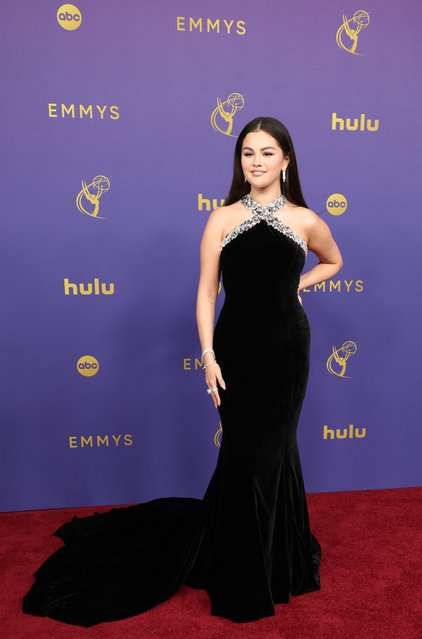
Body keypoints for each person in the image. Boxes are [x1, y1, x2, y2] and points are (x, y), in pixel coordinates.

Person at [22, 116, 343, 626]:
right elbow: (206, 292)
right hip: (236, 349)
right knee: (244, 454)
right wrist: (210, 356)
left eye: (266, 152)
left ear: (287, 160)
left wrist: (296, 286)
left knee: (276, 450)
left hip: (287, 351)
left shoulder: (306, 220)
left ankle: (278, 558)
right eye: (247, 153)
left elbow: (333, 261)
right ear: (239, 161)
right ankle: (244, 562)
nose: (255, 162)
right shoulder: (220, 218)